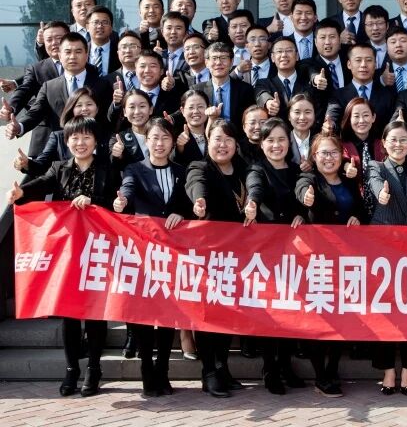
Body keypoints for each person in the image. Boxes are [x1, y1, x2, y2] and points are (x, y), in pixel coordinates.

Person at [7, 117, 111, 397]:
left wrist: (93, 202)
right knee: (68, 313)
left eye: (86, 137)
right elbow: (39, 185)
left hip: (98, 252)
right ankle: (71, 369)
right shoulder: (59, 168)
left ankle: (94, 368)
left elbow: (119, 205)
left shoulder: (108, 169)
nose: (80, 143)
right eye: (74, 138)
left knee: (95, 313)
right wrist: (20, 193)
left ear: (95, 141)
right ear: (66, 142)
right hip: (67, 253)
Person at [116, 118, 191, 397]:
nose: (159, 144)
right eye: (154, 138)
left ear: (173, 142)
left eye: (165, 138)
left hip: (172, 254)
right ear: (146, 141)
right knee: (143, 312)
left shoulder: (182, 171)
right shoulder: (135, 169)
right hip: (142, 253)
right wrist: (121, 201)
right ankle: (147, 367)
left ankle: (163, 368)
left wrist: (182, 213)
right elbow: (127, 189)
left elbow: (188, 202)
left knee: (169, 313)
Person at [185, 119, 250, 398]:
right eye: (217, 139)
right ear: (208, 141)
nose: (222, 145)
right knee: (208, 313)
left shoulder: (244, 169)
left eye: (228, 139)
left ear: (236, 144)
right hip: (208, 255)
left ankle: (222, 367)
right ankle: (209, 371)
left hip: (238, 256)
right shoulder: (200, 167)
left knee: (229, 313)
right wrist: (199, 201)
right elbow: (195, 185)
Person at [366, 121, 407, 396]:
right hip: (382, 251)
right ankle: (387, 370)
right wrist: (381, 194)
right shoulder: (376, 167)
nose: (398, 144)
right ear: (383, 143)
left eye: (403, 140)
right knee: (383, 312)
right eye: (392, 139)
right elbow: (375, 184)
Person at [296, 133, 364, 397]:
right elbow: (301, 192)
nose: (329, 158)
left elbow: (360, 209)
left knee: (340, 317)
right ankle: (320, 375)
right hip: (317, 261)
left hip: (345, 260)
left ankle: (332, 369)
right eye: (323, 153)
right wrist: (305, 199)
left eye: (333, 152)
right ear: (314, 157)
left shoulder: (349, 180)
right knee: (318, 318)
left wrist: (357, 217)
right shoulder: (309, 180)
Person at [244, 118, 308, 394]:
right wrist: (252, 204)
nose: (276, 145)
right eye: (270, 140)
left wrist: (301, 214)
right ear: (262, 143)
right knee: (269, 311)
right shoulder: (257, 169)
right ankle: (270, 368)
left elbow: (303, 197)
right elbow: (255, 189)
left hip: (293, 253)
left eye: (282, 139)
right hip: (266, 252)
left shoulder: (296, 170)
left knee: (290, 310)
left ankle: (285, 364)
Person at [173, 89, 210, 164]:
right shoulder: (175, 136)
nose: (196, 111)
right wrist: (180, 147)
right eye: (191, 107)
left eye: (200, 106)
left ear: (208, 108)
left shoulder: (215, 133)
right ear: (182, 111)